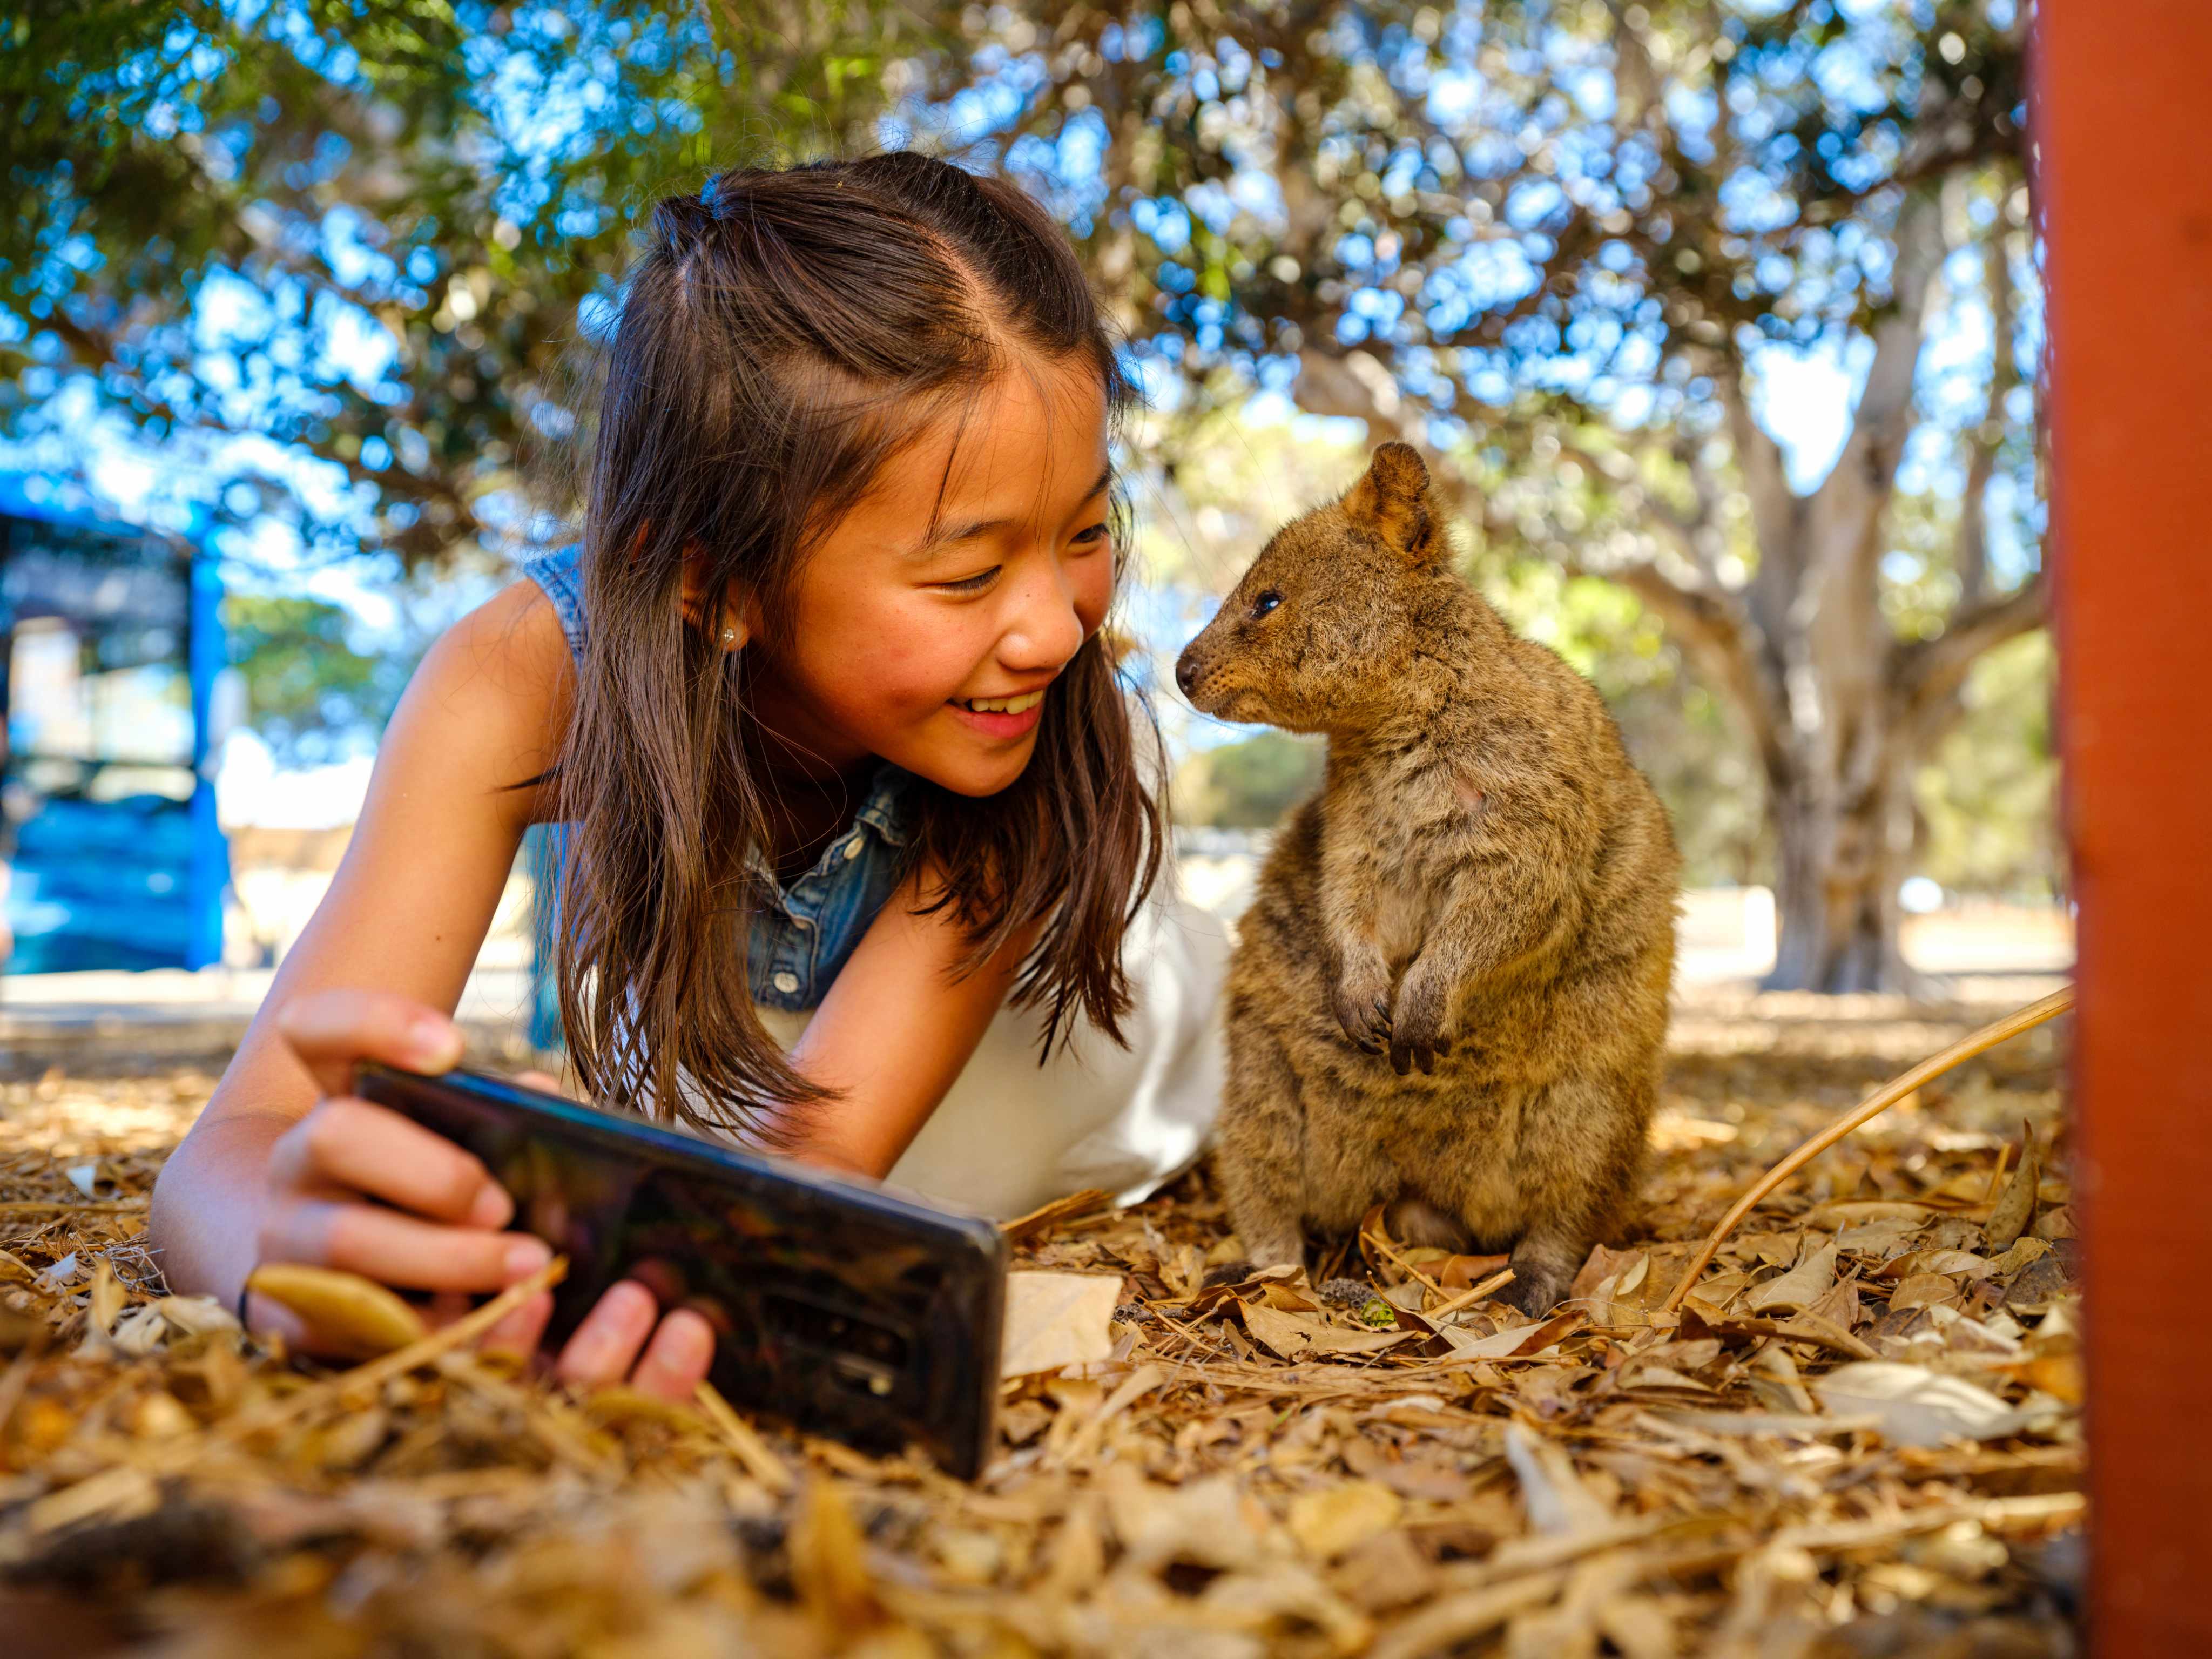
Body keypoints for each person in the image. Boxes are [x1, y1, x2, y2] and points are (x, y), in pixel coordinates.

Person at [148, 152, 1227, 1402]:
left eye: (1085, 532)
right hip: (769, 1054)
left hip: (1111, 1037)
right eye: (966, 574)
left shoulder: (1042, 728)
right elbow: (225, 1153)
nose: (1055, 625)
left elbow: (815, 1162)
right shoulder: (519, 677)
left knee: (905, 1185)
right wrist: (286, 1262)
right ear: (711, 583)